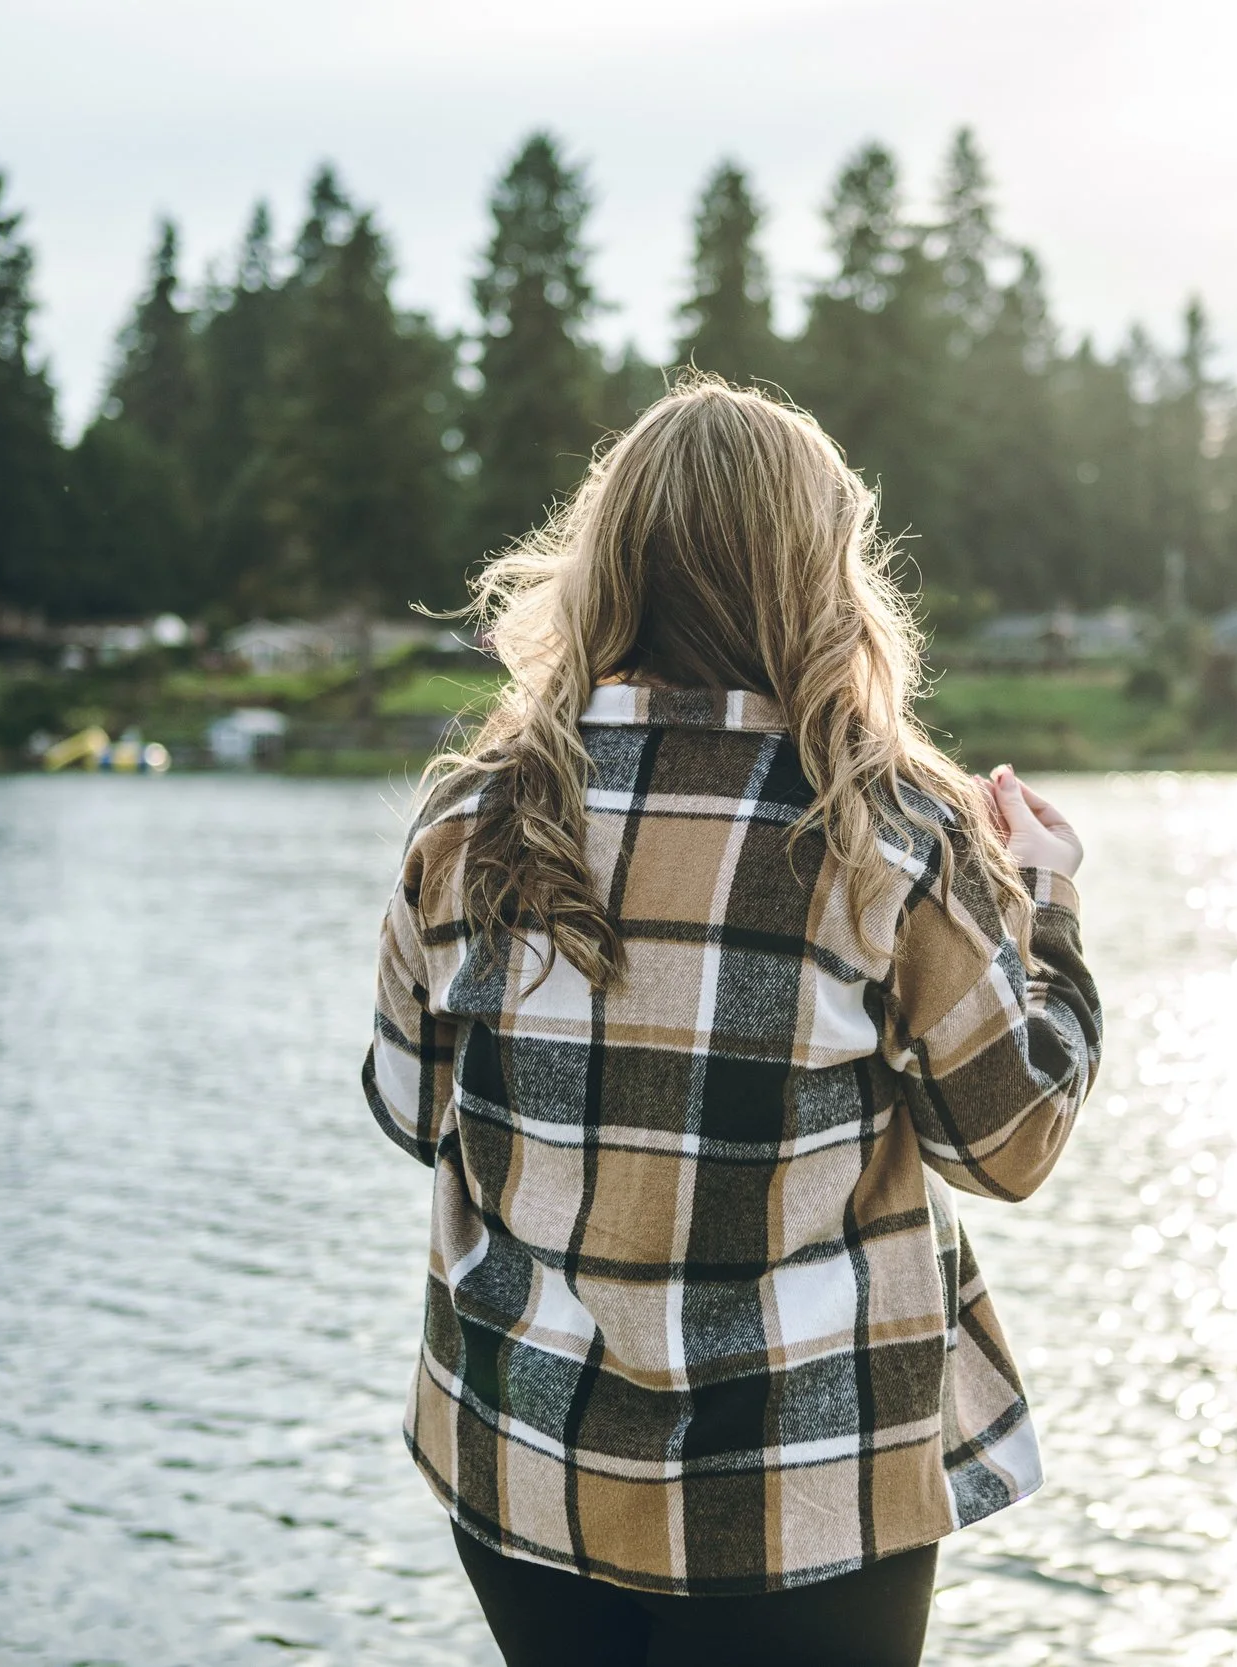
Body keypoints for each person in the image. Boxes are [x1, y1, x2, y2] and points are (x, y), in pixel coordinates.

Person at [364, 377, 1102, 1667]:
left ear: (606, 563)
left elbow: (407, 1107)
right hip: (804, 1485)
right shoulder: (884, 837)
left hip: (528, 1459)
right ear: (820, 575)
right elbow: (1011, 1144)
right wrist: (1048, 908)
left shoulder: (471, 820)